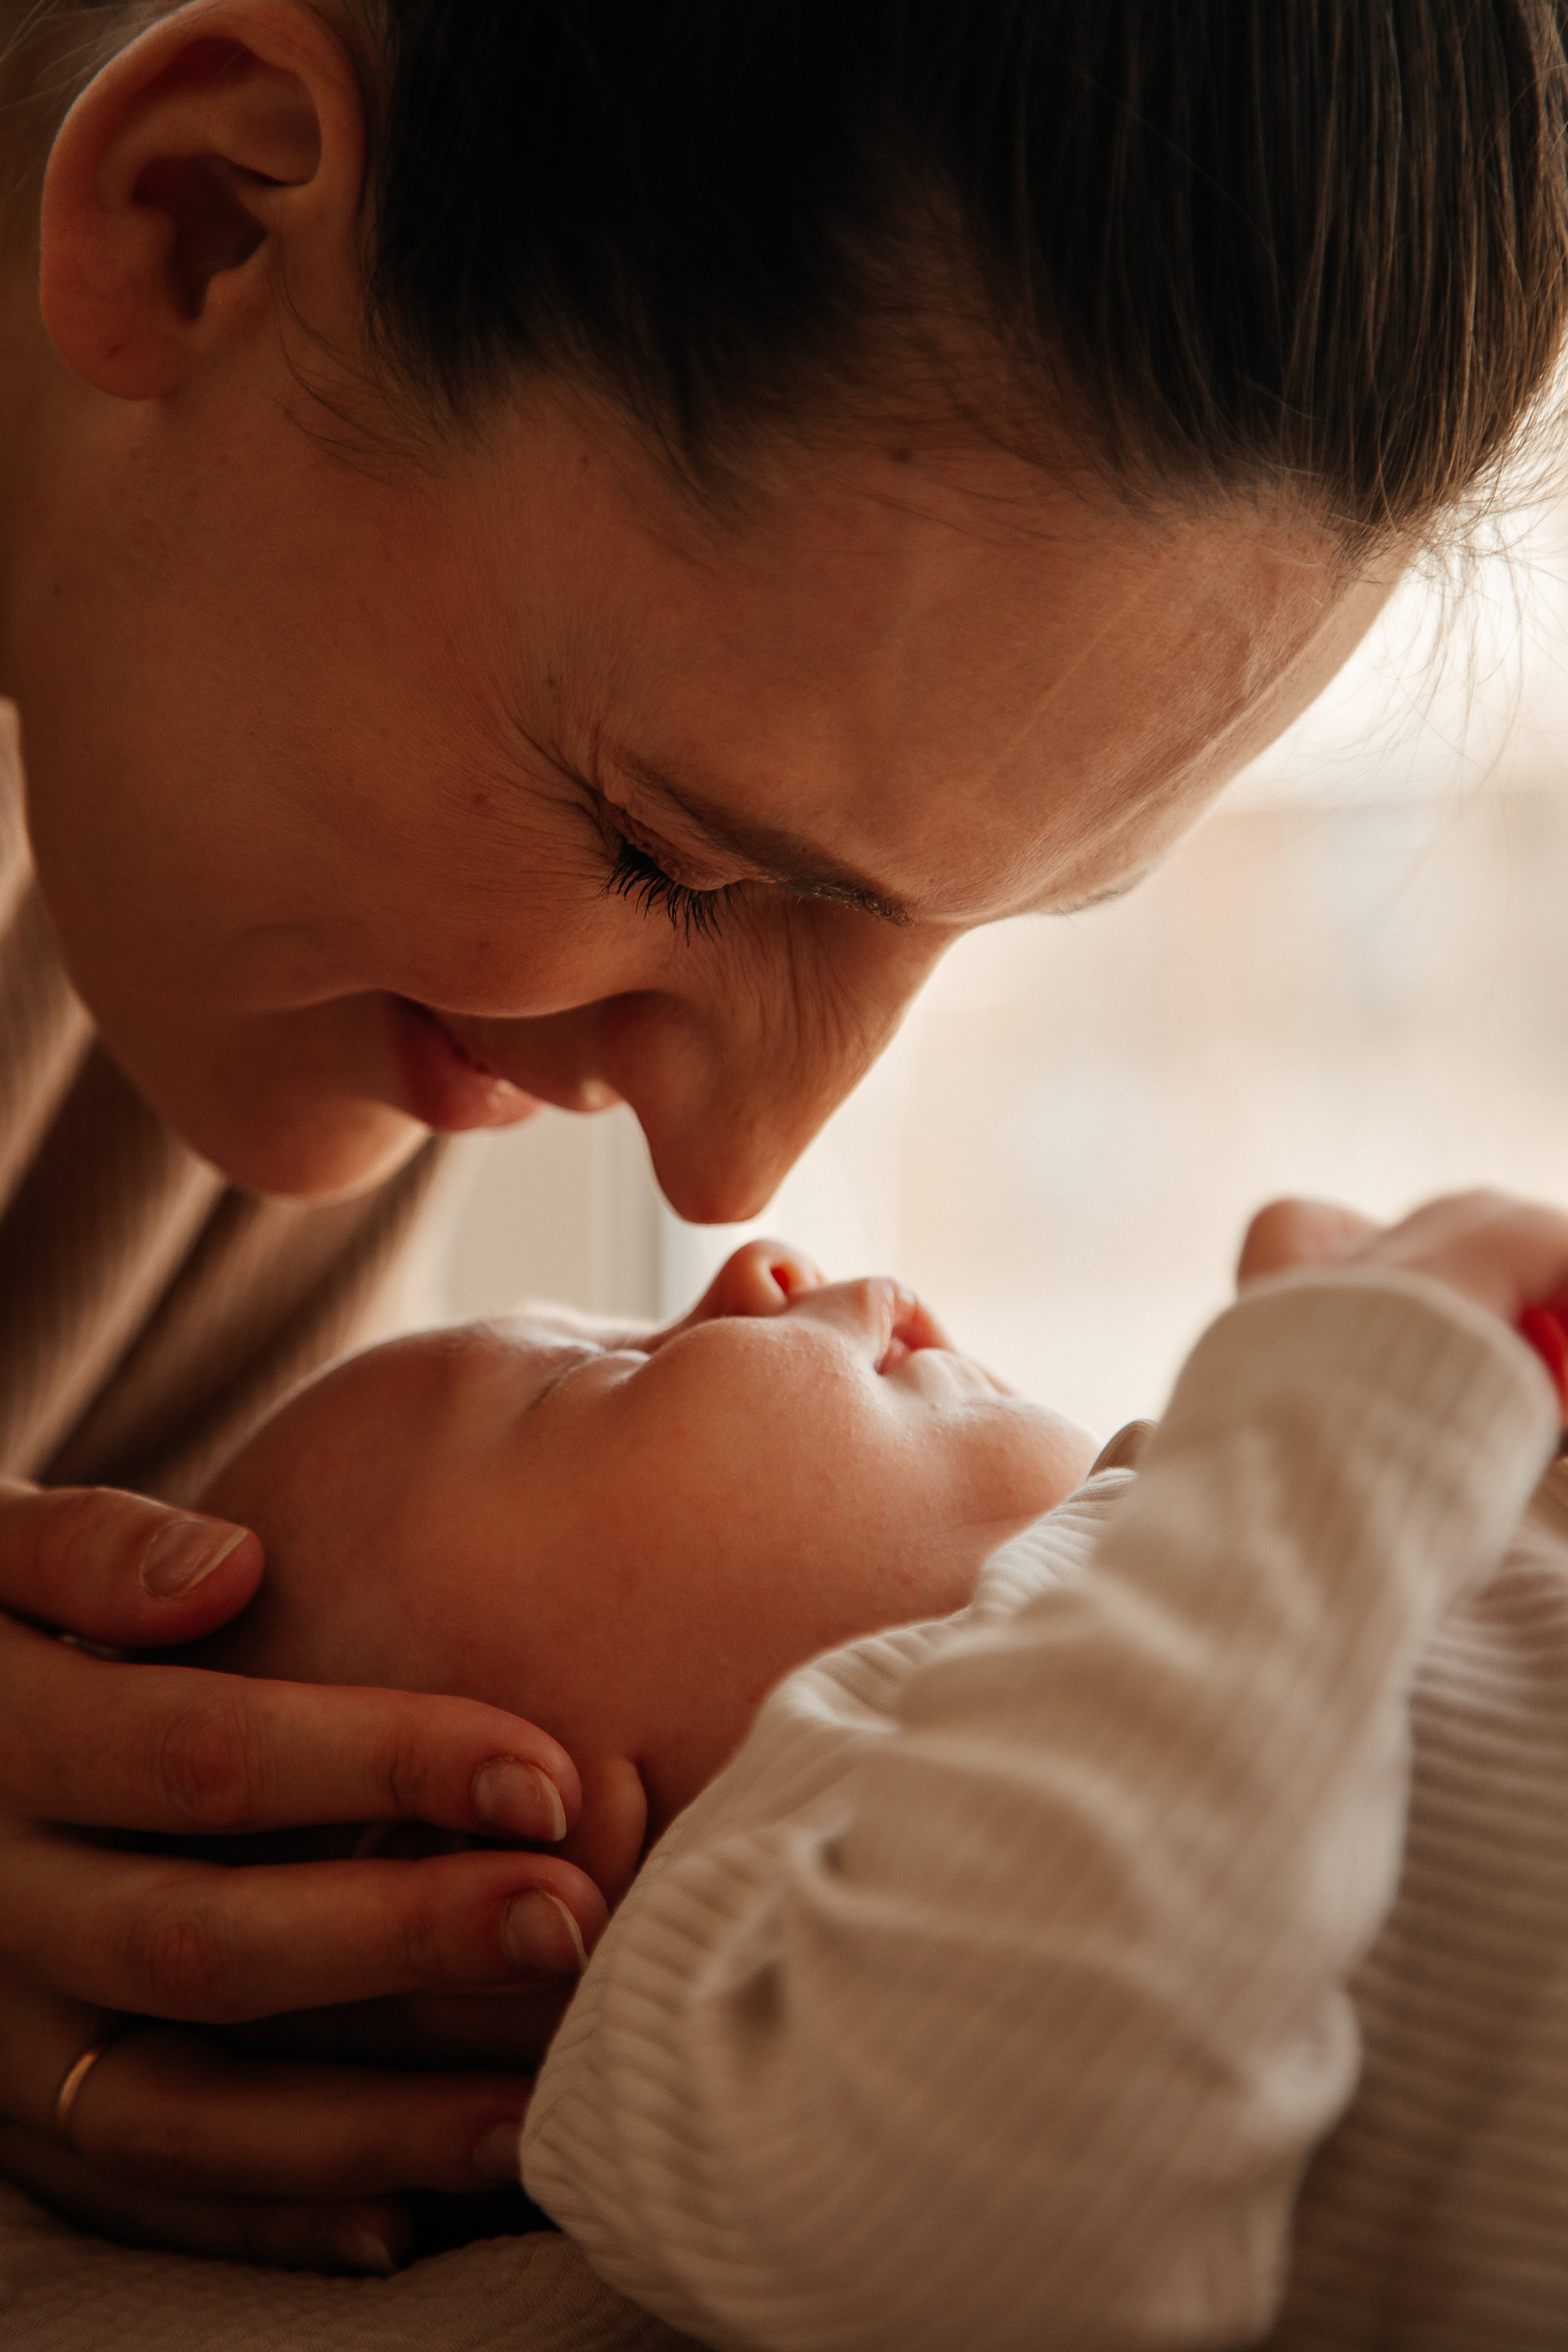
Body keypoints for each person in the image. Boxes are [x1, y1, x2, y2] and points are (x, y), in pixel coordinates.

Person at [2, 0, 1567, 2286]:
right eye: (671, 857)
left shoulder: (297, 912)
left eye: (965, 927)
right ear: (200, 220)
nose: (735, 1176)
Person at [66, 1194, 1568, 2352]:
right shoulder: (745, 1968)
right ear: (475, 1838)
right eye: (591, 1375)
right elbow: (1033, 2188)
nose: (759, 1264)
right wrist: (1332, 1426)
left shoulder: (1140, 1574)